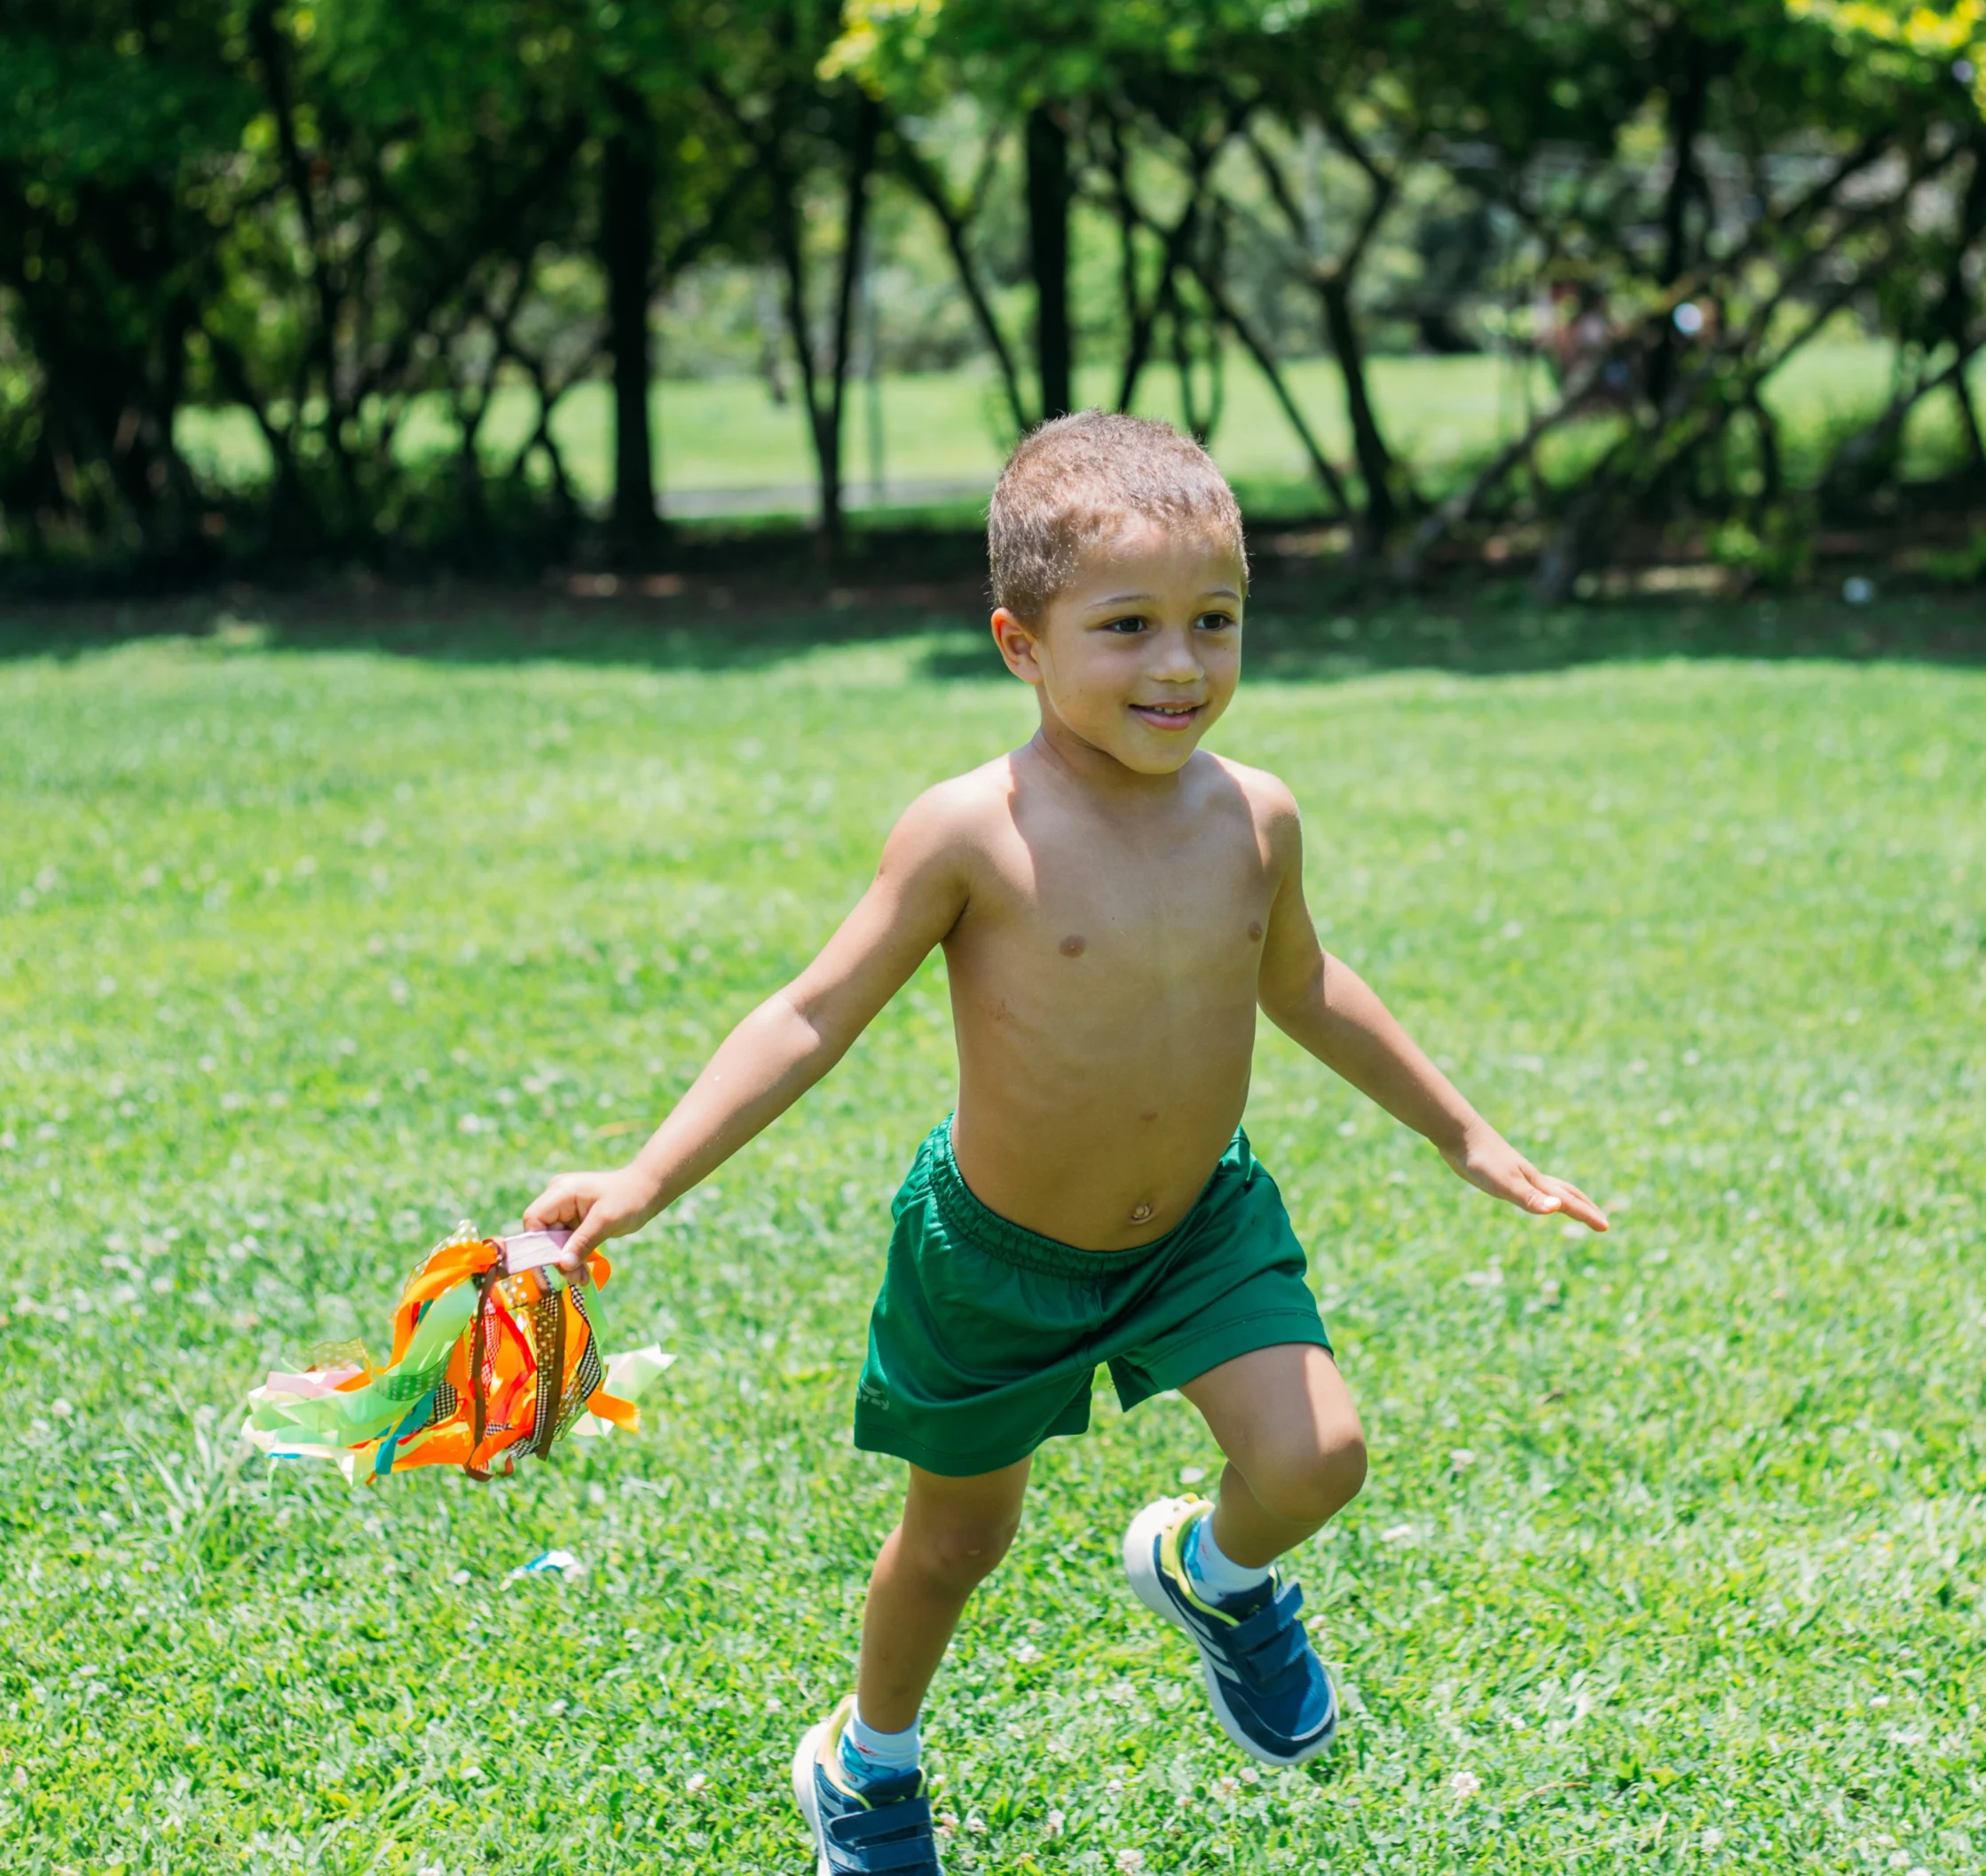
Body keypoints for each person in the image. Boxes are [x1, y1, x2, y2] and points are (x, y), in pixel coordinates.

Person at [524, 412, 1607, 1873]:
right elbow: (809, 1014)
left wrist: (1462, 1133)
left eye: (1213, 621)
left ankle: (1209, 1574)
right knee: (958, 1547)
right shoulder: (972, 830)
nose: (1179, 666)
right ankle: (867, 1762)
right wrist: (645, 1176)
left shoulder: (1257, 818)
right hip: (995, 1261)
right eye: (1127, 627)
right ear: (1019, 643)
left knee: (1318, 1460)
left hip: (1199, 1231)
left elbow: (1303, 987)